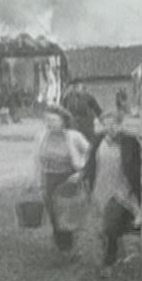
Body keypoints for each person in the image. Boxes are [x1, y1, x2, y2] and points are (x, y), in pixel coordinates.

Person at [82, 110, 142, 274]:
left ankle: (109, 263)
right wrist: (82, 175)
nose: (110, 128)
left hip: (122, 189)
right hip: (101, 187)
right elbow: (90, 163)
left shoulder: (130, 141)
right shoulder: (98, 140)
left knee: (109, 225)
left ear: (121, 124)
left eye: (114, 124)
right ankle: (117, 253)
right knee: (102, 227)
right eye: (106, 124)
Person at [28, 104, 90, 253]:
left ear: (63, 121)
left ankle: (67, 246)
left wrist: (82, 172)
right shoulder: (41, 136)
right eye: (47, 120)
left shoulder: (74, 136)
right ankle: (61, 244)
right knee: (53, 213)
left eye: (54, 120)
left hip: (67, 178)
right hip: (49, 178)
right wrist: (33, 180)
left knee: (66, 213)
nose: (50, 123)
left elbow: (90, 153)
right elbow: (36, 159)